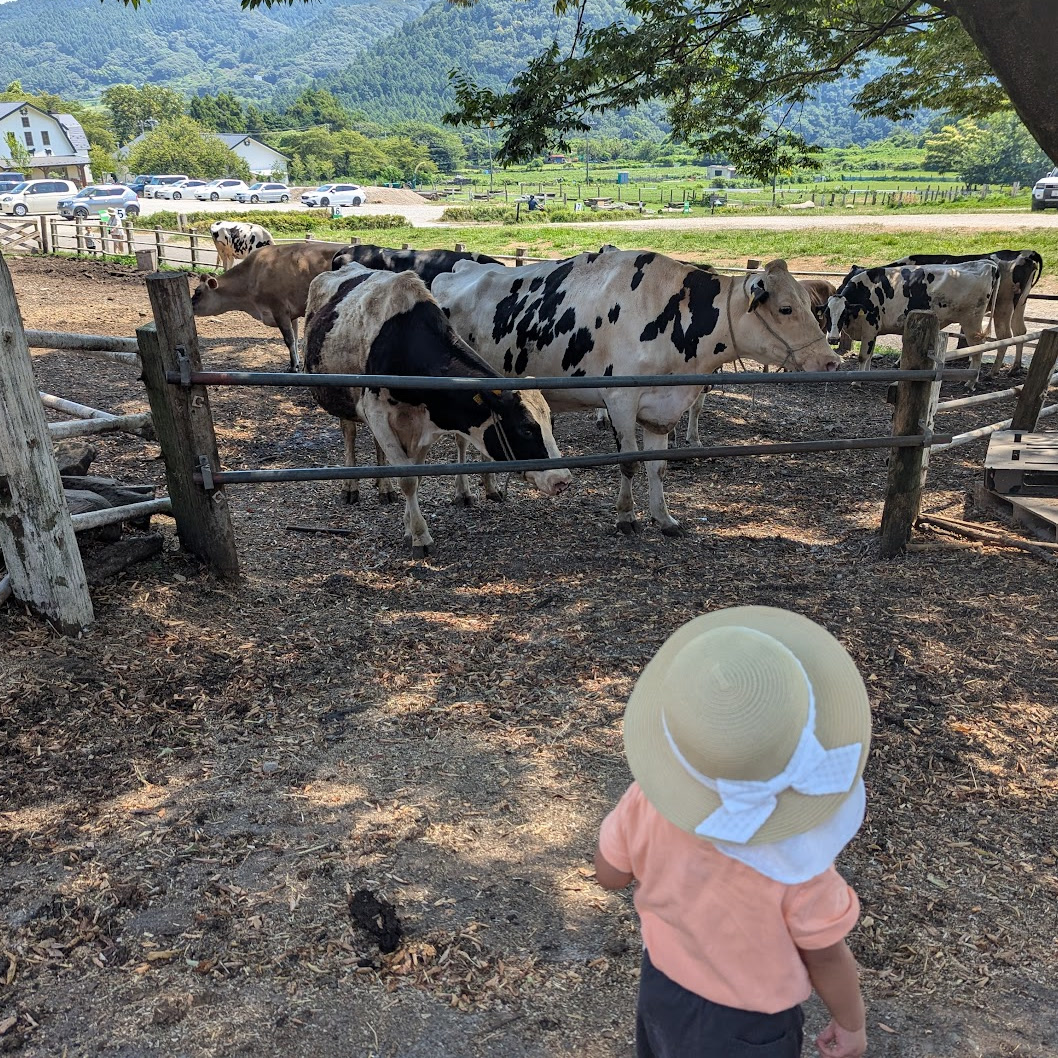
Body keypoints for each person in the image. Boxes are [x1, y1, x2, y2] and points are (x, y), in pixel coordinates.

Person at [595, 605, 871, 1058]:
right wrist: (851, 1023)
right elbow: (825, 955)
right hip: (751, 1028)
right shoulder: (798, 862)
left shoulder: (646, 800)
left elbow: (610, 876)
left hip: (663, 990)